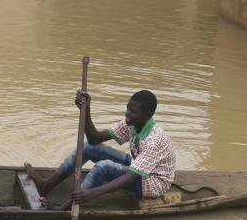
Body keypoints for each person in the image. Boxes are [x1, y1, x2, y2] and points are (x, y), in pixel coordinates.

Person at [25, 89, 176, 209]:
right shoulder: (132, 123)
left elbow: (130, 177)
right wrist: (86, 110)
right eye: (128, 108)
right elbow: (94, 138)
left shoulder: (153, 140)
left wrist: (91, 193)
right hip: (138, 165)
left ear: (147, 115)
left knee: (103, 167)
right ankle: (47, 185)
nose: (127, 114)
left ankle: (64, 208)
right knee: (89, 147)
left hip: (153, 182)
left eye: (133, 111)